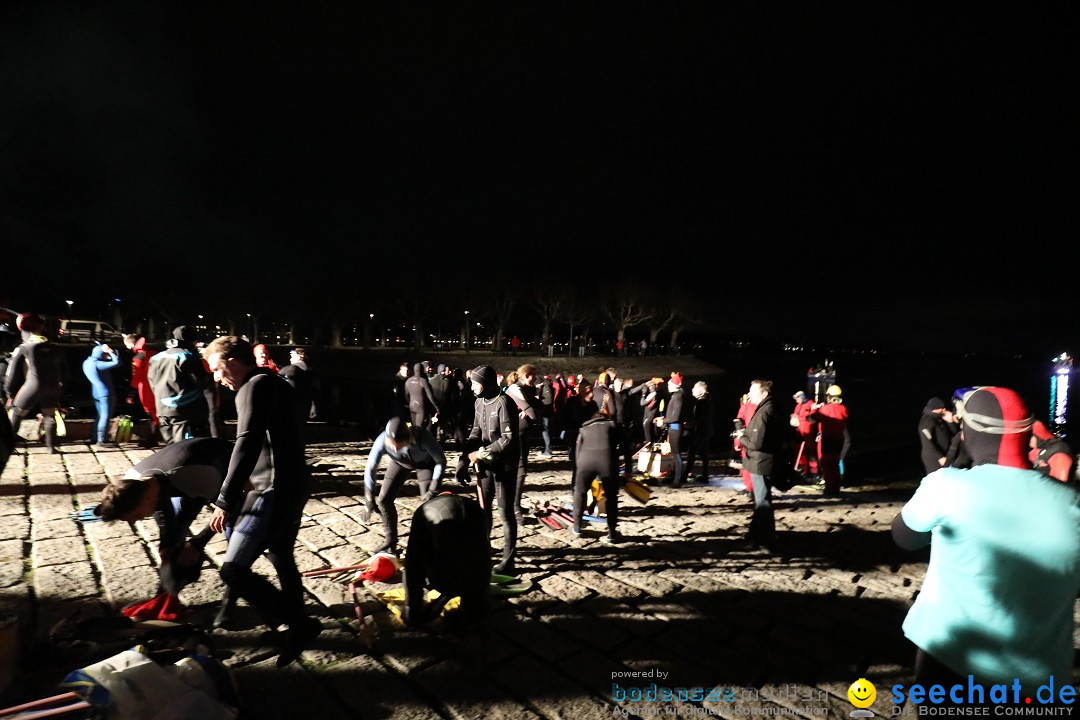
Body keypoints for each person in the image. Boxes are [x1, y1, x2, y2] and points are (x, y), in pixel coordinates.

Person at [891, 386, 1080, 700]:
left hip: (949, 660)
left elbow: (904, 537)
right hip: (1039, 678)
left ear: (969, 433)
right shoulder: (1073, 504)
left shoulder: (946, 486)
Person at [204, 336, 318, 666]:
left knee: (232, 571)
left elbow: (248, 442)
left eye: (216, 369)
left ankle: (302, 624)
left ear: (231, 362)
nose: (216, 377)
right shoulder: (276, 382)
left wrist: (225, 498)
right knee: (282, 556)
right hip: (294, 484)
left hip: (272, 490)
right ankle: (297, 628)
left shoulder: (252, 387)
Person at [94, 437, 237, 627]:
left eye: (136, 516)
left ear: (144, 501)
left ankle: (229, 604)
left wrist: (197, 543)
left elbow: (231, 506)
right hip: (186, 477)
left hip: (230, 468)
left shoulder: (194, 475)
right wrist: (168, 547)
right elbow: (162, 511)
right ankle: (164, 596)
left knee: (234, 536)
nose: (137, 520)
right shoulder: (135, 480)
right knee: (174, 539)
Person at [459, 365, 519, 575]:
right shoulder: (479, 402)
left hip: (504, 467)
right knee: (483, 512)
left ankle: (508, 561)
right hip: (485, 467)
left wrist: (481, 452)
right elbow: (476, 430)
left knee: (505, 513)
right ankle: (483, 552)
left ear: (486, 383)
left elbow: (508, 438)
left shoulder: (503, 402)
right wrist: (464, 459)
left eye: (475, 383)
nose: (472, 387)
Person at [402, 492, 489, 629]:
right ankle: (473, 611)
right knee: (475, 553)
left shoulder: (424, 511)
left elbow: (411, 564)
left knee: (418, 554)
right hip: (477, 579)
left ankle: (440, 598)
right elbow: (482, 551)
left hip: (443, 581)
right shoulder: (476, 508)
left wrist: (410, 610)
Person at [362, 417, 446, 555]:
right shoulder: (382, 439)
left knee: (429, 505)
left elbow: (440, 460)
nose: (395, 447)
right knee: (383, 501)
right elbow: (370, 467)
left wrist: (433, 488)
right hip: (400, 463)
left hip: (425, 464)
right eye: (392, 444)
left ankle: (431, 544)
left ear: (408, 437)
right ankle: (390, 542)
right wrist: (369, 498)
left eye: (399, 443)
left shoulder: (422, 437)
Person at [734, 379, 786, 549]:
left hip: (761, 461)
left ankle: (767, 539)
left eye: (752, 391)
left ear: (763, 394)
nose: (749, 394)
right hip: (763, 460)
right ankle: (755, 536)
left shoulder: (764, 410)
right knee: (760, 500)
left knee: (762, 501)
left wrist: (741, 437)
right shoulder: (768, 407)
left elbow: (756, 443)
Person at [5, 313, 66, 454]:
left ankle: (9, 446)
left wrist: (9, 392)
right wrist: (61, 390)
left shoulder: (25, 347)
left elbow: (12, 374)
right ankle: (51, 447)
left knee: (16, 413)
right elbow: (65, 371)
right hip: (53, 387)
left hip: (32, 386)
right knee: (49, 415)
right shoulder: (56, 347)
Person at [148, 326, 212, 444]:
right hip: (185, 410)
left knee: (170, 447)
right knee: (184, 449)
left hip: (162, 408)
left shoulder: (156, 357)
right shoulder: (188, 356)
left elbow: (152, 382)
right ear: (192, 341)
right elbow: (202, 381)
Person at [571, 409, 621, 543]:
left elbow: (577, 451)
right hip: (607, 462)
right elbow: (622, 446)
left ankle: (577, 527)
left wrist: (579, 468)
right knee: (611, 497)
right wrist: (622, 467)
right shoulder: (612, 426)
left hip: (585, 461)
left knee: (580, 492)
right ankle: (611, 532)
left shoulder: (583, 429)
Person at [505, 364, 543, 523]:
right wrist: (529, 409)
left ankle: (516, 504)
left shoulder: (526, 389)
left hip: (523, 434)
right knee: (519, 472)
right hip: (515, 435)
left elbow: (541, 408)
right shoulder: (515, 389)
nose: (535, 380)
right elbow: (534, 413)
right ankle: (514, 508)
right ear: (526, 375)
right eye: (533, 377)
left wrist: (529, 409)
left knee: (522, 471)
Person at [811, 384, 849, 495]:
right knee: (835, 465)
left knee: (827, 464)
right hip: (839, 440)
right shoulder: (844, 409)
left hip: (827, 440)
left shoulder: (825, 409)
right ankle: (836, 488)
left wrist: (814, 409)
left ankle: (829, 488)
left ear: (829, 396)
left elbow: (812, 418)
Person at [124, 334, 159, 447]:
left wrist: (130, 394)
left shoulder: (138, 358)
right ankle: (155, 437)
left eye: (127, 345)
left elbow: (136, 379)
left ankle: (153, 439)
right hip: (160, 387)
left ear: (131, 344)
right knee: (159, 414)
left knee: (151, 415)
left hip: (146, 390)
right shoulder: (154, 353)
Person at [82, 343, 120, 446]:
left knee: (99, 415)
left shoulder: (87, 362)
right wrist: (110, 351)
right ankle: (101, 440)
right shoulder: (98, 364)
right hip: (106, 392)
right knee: (105, 416)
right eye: (105, 354)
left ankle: (94, 437)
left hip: (95, 392)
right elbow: (116, 362)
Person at [279, 347, 320, 431]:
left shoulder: (288, 370)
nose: (290, 359)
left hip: (288, 408)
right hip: (305, 407)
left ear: (300, 357)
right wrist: (314, 406)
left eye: (292, 356)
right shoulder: (312, 372)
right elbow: (316, 390)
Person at [657, 372, 687, 485]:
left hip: (675, 428)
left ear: (676, 385)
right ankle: (676, 476)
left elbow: (675, 416)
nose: (668, 386)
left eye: (670, 384)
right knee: (674, 453)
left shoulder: (678, 397)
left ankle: (677, 479)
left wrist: (663, 421)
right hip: (673, 427)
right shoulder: (677, 395)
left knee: (676, 453)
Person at [917, 397, 956, 475]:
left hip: (946, 455)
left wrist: (951, 422)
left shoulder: (940, 418)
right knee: (937, 479)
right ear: (934, 409)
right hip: (933, 458)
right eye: (941, 408)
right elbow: (927, 443)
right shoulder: (926, 421)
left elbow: (954, 433)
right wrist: (940, 457)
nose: (944, 409)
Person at [685, 381, 714, 483]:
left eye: (694, 388)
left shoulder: (701, 403)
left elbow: (702, 419)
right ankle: (705, 476)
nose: (692, 390)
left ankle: (684, 475)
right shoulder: (706, 401)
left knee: (692, 451)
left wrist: (691, 424)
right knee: (704, 453)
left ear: (701, 390)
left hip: (702, 431)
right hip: (706, 430)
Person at [790, 391, 819, 479]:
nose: (796, 401)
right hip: (800, 433)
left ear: (802, 397)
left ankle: (815, 474)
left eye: (797, 398)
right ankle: (802, 472)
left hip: (809, 433)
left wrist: (799, 418)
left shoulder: (811, 404)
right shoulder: (798, 405)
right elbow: (796, 413)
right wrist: (794, 417)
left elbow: (813, 418)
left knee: (811, 454)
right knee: (800, 453)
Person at [404, 362, 439, 430]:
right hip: (420, 407)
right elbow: (430, 396)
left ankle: (413, 439)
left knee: (413, 427)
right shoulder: (422, 381)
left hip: (412, 406)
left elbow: (406, 395)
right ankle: (419, 440)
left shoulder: (408, 381)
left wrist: (409, 403)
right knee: (419, 427)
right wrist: (436, 406)